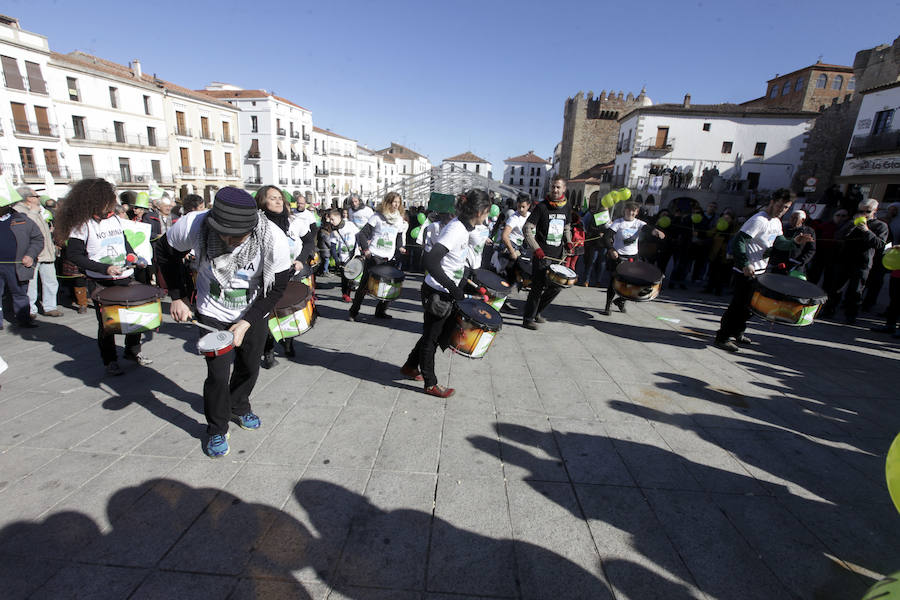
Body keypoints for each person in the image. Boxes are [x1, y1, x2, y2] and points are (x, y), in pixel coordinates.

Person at [155, 187, 292, 458]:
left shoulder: (273, 237)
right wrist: (178, 297)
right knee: (217, 375)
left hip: (254, 309)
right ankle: (216, 428)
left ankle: (239, 406)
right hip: (212, 310)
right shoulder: (194, 224)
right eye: (224, 234)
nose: (230, 240)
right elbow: (164, 252)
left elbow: (278, 287)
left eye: (237, 236)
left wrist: (246, 323)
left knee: (249, 366)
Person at [54, 179, 152, 374]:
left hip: (125, 275)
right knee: (108, 323)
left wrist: (136, 256)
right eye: (109, 198)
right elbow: (74, 255)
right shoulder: (81, 225)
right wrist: (104, 269)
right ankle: (110, 360)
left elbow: (124, 243)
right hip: (101, 280)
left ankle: (132, 350)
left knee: (136, 316)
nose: (113, 201)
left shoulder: (114, 218)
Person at [401, 190, 492, 398]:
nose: (487, 217)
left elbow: (454, 260)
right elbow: (431, 260)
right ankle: (430, 383)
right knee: (432, 338)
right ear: (479, 211)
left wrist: (468, 282)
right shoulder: (457, 229)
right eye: (486, 212)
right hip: (437, 290)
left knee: (434, 335)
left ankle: (410, 367)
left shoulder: (464, 227)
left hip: (444, 288)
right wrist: (452, 287)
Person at [713, 189, 813, 352]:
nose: (783, 210)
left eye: (787, 207)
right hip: (744, 271)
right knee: (738, 305)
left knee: (751, 307)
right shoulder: (758, 220)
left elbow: (779, 243)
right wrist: (745, 263)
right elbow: (739, 241)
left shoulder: (776, 222)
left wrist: (795, 241)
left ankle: (738, 332)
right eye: (781, 205)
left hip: (760, 270)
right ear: (772, 202)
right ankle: (722, 337)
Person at [256, 185, 308, 368]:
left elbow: (309, 239)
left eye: (280, 198)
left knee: (289, 310)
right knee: (270, 314)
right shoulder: (257, 224)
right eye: (272, 198)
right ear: (262, 202)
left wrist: (301, 260)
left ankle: (288, 343)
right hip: (268, 277)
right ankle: (268, 351)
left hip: (291, 274)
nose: (278, 201)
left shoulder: (292, 222)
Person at [822, 198, 890, 324]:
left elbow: (879, 244)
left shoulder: (881, 225)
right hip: (845, 259)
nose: (863, 214)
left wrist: (866, 231)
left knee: (856, 290)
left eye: (867, 211)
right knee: (836, 287)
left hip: (863, 262)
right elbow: (838, 236)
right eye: (861, 211)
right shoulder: (851, 222)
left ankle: (850, 315)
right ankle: (829, 310)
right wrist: (851, 225)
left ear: (875, 211)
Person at [520, 175, 572, 329]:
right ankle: (528, 319)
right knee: (537, 287)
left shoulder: (567, 206)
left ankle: (538, 312)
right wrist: (537, 249)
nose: (555, 190)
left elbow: (567, 227)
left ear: (564, 189)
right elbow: (527, 229)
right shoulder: (541, 207)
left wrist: (568, 241)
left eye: (558, 187)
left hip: (557, 256)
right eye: (553, 187)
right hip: (542, 256)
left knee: (556, 287)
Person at [348, 192, 407, 321]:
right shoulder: (377, 217)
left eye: (398, 202)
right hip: (374, 256)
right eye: (394, 202)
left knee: (388, 287)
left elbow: (398, 238)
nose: (396, 205)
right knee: (364, 286)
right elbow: (362, 234)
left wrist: (400, 247)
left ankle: (380, 311)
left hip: (389, 258)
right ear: (387, 202)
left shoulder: (399, 220)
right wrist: (366, 250)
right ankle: (353, 312)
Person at [600, 201, 665, 315]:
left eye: (633, 211)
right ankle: (607, 306)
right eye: (628, 210)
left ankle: (621, 301)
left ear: (636, 212)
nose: (630, 212)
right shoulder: (618, 222)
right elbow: (606, 237)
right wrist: (611, 250)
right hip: (618, 256)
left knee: (632, 283)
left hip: (632, 257)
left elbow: (648, 228)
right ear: (625, 210)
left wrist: (656, 231)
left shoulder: (639, 223)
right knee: (614, 282)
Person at [14, 186, 61, 317]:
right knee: (31, 285)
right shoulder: (19, 211)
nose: (39, 198)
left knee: (51, 281)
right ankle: (30, 310)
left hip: (46, 253)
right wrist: (34, 213)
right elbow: (25, 229)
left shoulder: (39, 210)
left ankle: (50, 306)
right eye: (36, 196)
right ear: (28, 198)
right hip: (32, 255)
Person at [0, 187, 43, 329]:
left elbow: (38, 239)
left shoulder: (22, 219)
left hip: (16, 265)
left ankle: (23, 320)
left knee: (19, 293)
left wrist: (30, 255)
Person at [326, 208, 360, 303]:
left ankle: (356, 294)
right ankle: (345, 294)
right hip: (343, 258)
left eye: (332, 219)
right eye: (330, 220)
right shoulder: (334, 231)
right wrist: (336, 260)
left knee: (355, 276)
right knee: (345, 278)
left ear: (339, 217)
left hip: (354, 255)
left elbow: (358, 236)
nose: (331, 222)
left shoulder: (350, 225)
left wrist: (359, 248)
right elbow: (332, 247)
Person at [768, 210, 816, 275]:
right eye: (791, 217)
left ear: (802, 220)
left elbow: (811, 249)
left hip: (796, 265)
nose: (792, 219)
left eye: (795, 218)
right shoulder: (783, 228)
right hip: (779, 263)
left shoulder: (808, 231)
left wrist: (801, 261)